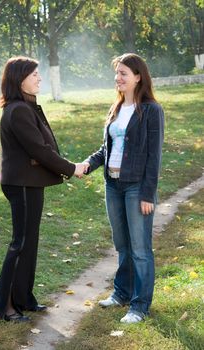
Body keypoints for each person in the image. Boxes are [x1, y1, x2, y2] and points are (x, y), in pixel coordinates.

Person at [0, 56, 85, 322]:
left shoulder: (24, 106)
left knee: (29, 242)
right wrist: (71, 167)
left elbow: (40, 149)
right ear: (19, 79)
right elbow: (39, 150)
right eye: (34, 74)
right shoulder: (19, 110)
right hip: (21, 183)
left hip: (27, 182)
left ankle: (24, 299)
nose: (39, 78)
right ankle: (6, 307)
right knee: (21, 243)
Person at [81, 53, 164, 324]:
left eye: (123, 73)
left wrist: (147, 194)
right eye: (117, 73)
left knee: (140, 248)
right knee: (122, 245)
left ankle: (139, 306)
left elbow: (154, 156)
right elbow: (107, 149)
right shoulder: (116, 109)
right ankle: (122, 293)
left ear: (138, 77)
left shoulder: (151, 110)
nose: (118, 78)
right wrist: (88, 164)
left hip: (136, 185)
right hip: (112, 185)